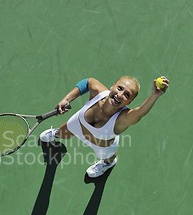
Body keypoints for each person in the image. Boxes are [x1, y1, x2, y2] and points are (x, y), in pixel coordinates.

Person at [40, 75, 169, 177]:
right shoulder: (98, 92)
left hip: (101, 145)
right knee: (62, 133)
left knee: (108, 158)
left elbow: (140, 112)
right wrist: (67, 99)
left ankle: (108, 164)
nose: (120, 95)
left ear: (129, 102)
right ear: (113, 86)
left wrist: (154, 95)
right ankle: (55, 133)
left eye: (127, 95)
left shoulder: (122, 119)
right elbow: (87, 82)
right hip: (79, 126)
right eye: (120, 88)